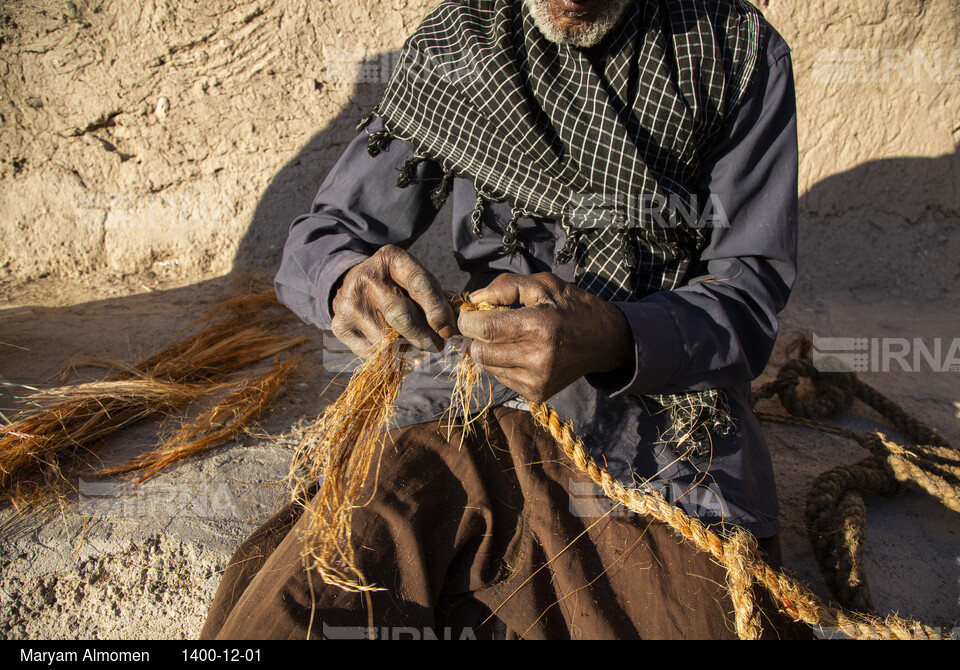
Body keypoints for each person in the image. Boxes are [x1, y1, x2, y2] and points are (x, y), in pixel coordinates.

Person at [201, 0, 803, 639]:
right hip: (464, 394)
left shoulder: (735, 52)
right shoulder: (461, 44)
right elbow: (322, 237)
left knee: (688, 616)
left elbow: (746, 297)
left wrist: (615, 335)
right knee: (308, 601)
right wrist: (346, 279)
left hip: (661, 424)